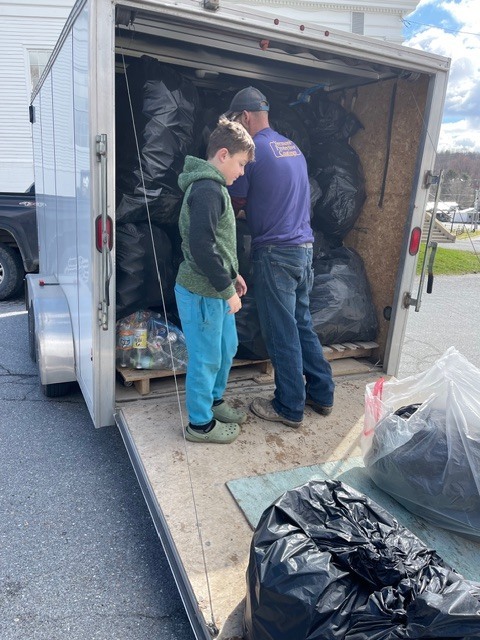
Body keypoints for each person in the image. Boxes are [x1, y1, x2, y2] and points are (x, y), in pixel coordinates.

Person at [226, 86, 335, 428]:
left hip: (276, 253)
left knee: (281, 331)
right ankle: (322, 392)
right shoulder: (292, 148)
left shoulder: (254, 151)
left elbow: (236, 201)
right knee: (302, 324)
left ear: (245, 118)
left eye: (235, 122)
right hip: (304, 250)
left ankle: (289, 406)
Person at [175, 117, 255, 444]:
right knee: (206, 358)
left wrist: (232, 275)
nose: (242, 172)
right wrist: (225, 289)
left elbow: (216, 243)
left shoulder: (215, 187)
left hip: (217, 290)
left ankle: (214, 401)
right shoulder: (207, 188)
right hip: (202, 292)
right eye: (240, 164)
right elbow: (201, 246)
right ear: (223, 155)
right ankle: (200, 425)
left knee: (226, 347)